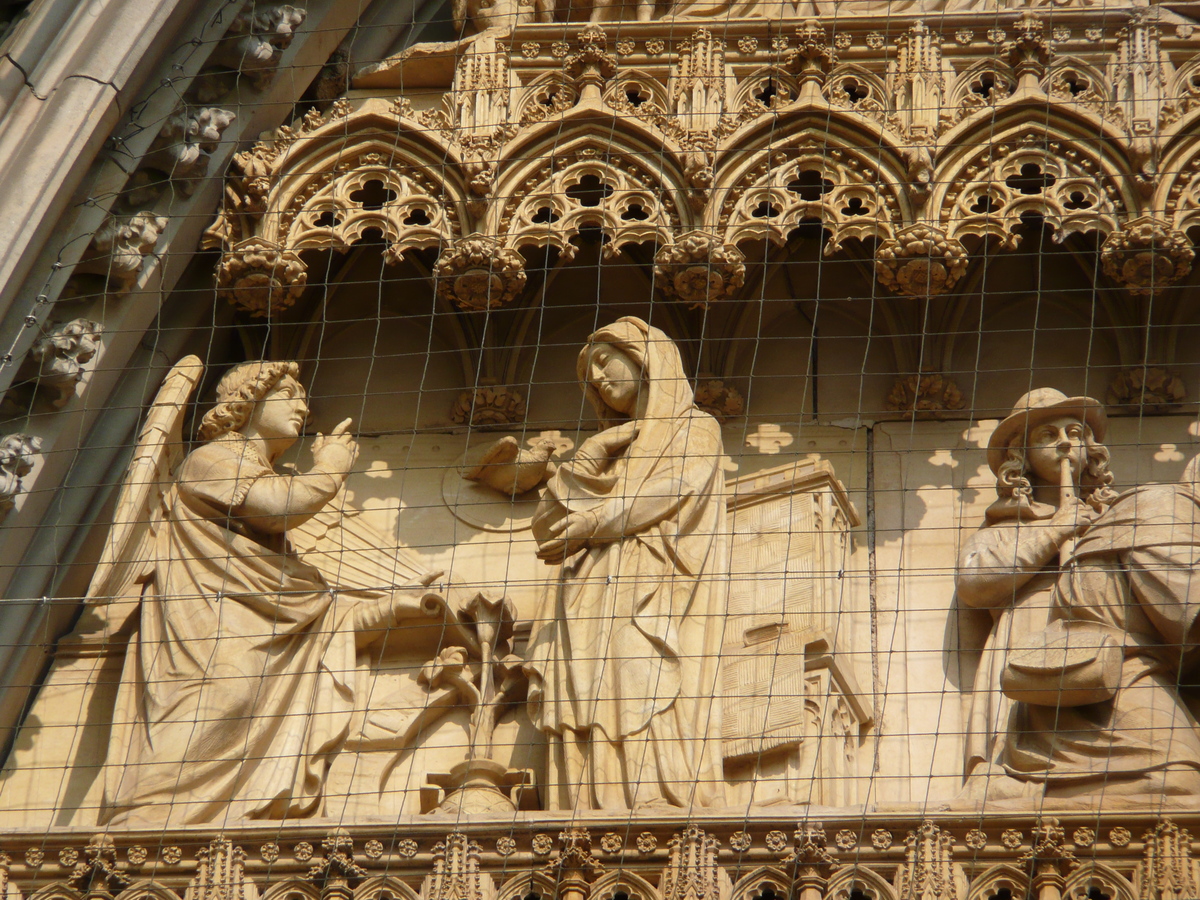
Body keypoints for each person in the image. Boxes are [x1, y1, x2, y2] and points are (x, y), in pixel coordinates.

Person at [101, 361, 452, 826]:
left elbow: (311, 615)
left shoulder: (261, 518)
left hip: (245, 625)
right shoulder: (211, 460)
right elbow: (281, 506)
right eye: (289, 393)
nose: (303, 406)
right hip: (207, 627)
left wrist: (395, 607)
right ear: (246, 402)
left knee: (235, 697)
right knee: (221, 699)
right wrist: (329, 470)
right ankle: (141, 821)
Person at [525, 317, 728, 810]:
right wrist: (592, 453)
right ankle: (586, 804)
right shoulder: (610, 448)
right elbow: (545, 524)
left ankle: (653, 799)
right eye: (587, 373)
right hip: (587, 595)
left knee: (640, 676)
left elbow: (669, 493)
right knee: (586, 692)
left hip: (654, 590)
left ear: (644, 359)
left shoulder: (696, 429)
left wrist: (592, 524)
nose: (596, 377)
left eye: (603, 360)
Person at [956, 388, 1117, 800]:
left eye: (1076, 432)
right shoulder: (1005, 525)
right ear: (1021, 456)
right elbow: (974, 583)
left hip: (1105, 638)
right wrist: (1055, 530)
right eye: (1048, 434)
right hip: (1030, 629)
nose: (1065, 442)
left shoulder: (1115, 519)